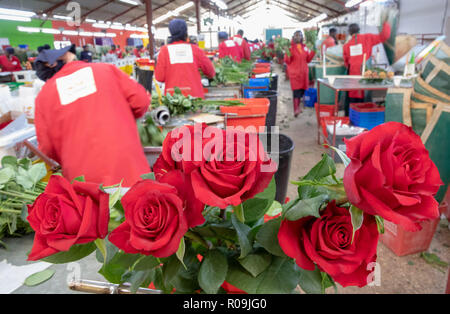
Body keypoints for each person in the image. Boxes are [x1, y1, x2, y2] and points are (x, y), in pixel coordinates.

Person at [34, 44, 151, 187]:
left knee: (95, 209)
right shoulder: (104, 70)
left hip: (84, 182)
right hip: (127, 167)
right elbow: (141, 101)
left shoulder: (44, 96)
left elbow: (46, 147)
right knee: (139, 206)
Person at [155, 19, 215, 99]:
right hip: (195, 97)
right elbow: (210, 72)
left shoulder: (164, 51)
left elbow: (159, 77)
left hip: (173, 100)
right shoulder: (196, 49)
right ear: (186, 31)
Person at [343, 22, 391, 114]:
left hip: (352, 77)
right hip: (366, 75)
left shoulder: (347, 45)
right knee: (365, 98)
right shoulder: (368, 38)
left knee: (353, 100)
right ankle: (365, 115)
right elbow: (384, 36)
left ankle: (351, 116)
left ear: (349, 33)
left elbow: (346, 62)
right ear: (359, 30)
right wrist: (386, 23)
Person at [284, 31, 315, 117]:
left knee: (302, 90)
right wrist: (287, 51)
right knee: (296, 91)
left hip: (304, 73)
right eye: (296, 35)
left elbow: (308, 59)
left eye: (300, 36)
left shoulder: (305, 47)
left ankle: (298, 107)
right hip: (295, 73)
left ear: (302, 38)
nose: (298, 37)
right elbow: (287, 60)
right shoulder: (290, 48)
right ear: (293, 37)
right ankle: (296, 109)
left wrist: (313, 51)